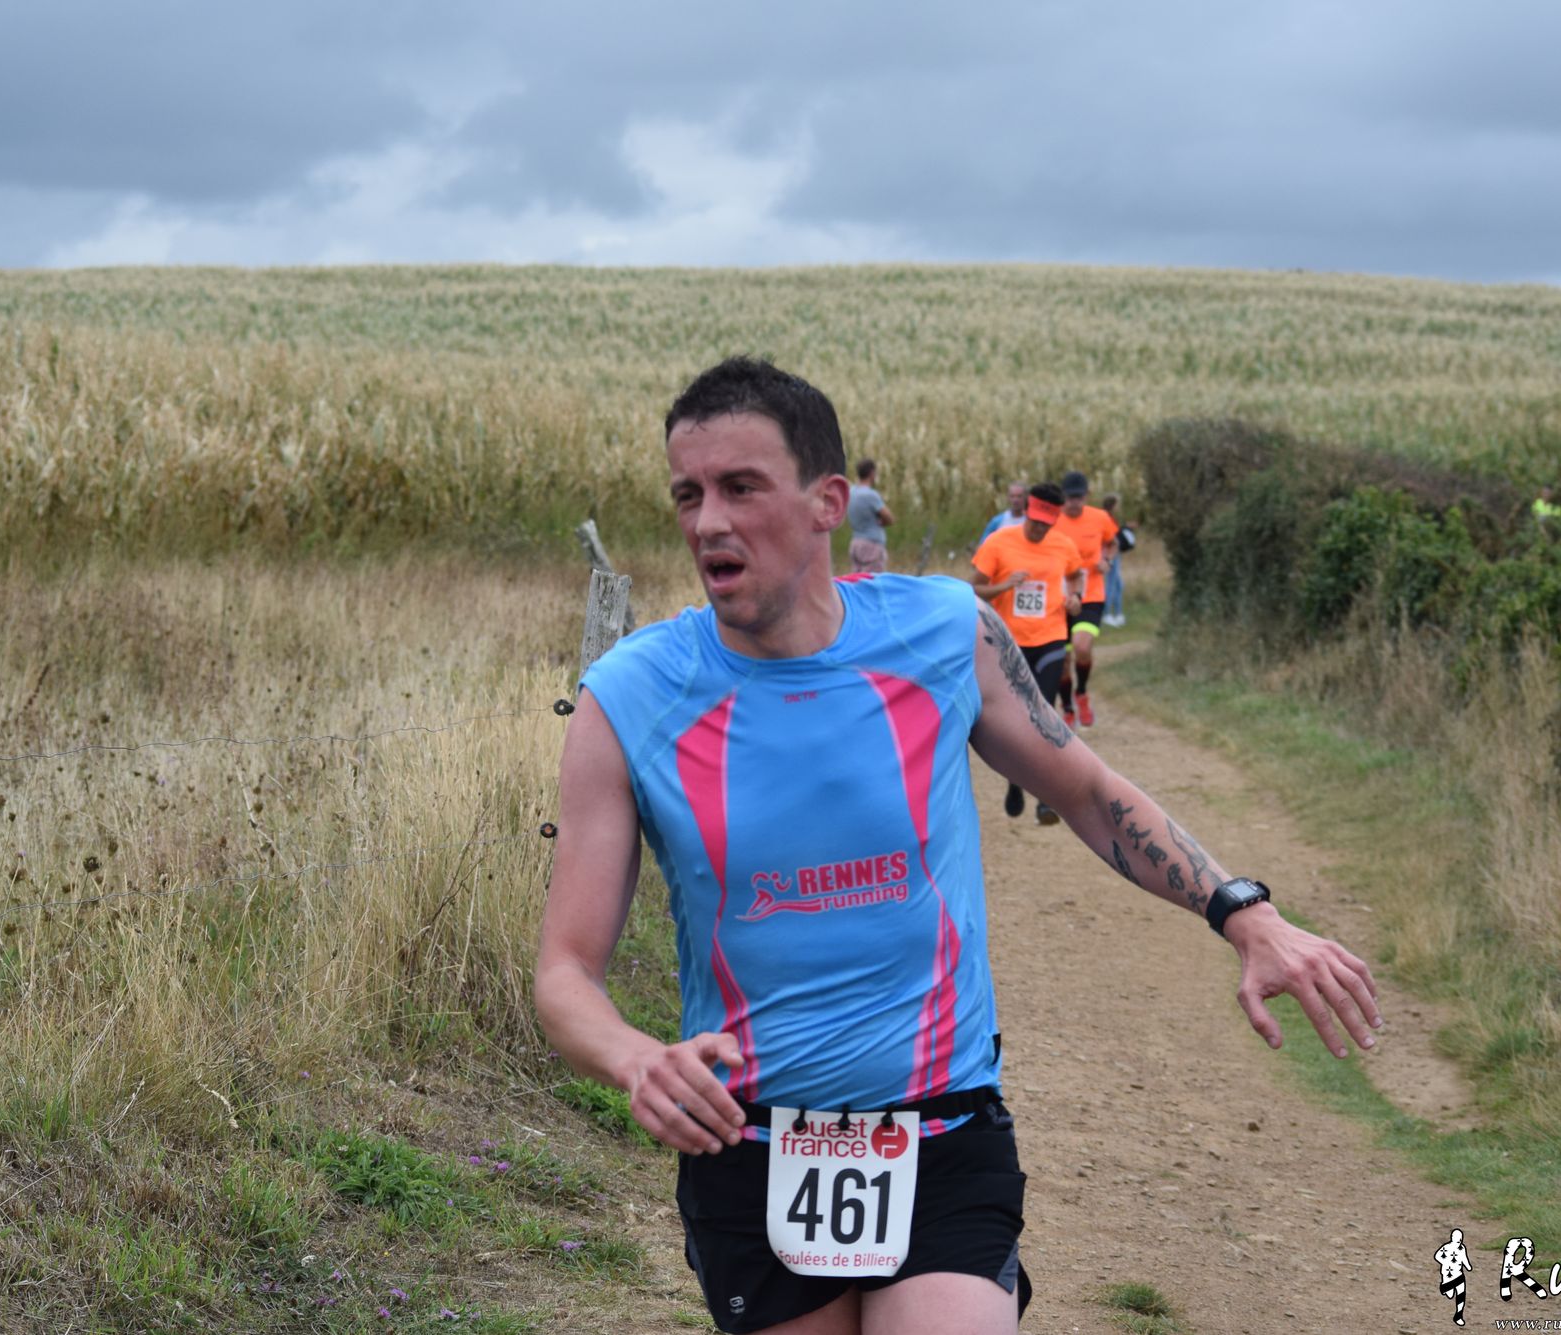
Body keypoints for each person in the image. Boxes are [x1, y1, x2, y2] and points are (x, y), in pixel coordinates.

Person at [535, 357, 1383, 1335]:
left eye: (740, 487)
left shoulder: (940, 634)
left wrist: (1243, 911)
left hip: (941, 1128)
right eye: (688, 494)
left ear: (828, 502)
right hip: (748, 1143)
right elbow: (565, 972)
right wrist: (637, 1060)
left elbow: (1088, 793)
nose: (707, 522)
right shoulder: (629, 695)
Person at [970, 482, 1085, 823]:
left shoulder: (1064, 545)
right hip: (1009, 643)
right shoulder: (999, 542)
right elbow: (971, 587)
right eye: (1035, 522)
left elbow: (1076, 575)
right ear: (1027, 514)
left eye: (1046, 525)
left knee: (1043, 716)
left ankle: (1045, 800)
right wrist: (1003, 586)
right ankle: (1015, 779)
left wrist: (1076, 598)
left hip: (1051, 638)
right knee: (1015, 719)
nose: (1039, 529)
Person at [1049, 472, 1118, 729]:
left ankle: (1082, 693)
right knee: (1062, 660)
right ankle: (1067, 707)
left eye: (1079, 497)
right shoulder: (1053, 520)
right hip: (1059, 597)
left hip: (1091, 593)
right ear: (1063, 497)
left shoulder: (1100, 518)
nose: (1074, 503)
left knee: (1082, 645)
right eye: (1070, 498)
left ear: (1086, 496)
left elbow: (1112, 542)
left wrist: (1107, 560)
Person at [847, 458, 894, 573]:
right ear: (872, 473)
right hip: (872, 544)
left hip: (856, 542)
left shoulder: (851, 492)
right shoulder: (871, 495)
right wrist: (882, 522)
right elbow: (889, 517)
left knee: (857, 580)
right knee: (873, 580)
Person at [1098, 492, 1130, 628]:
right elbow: (1109, 538)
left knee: (1118, 584)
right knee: (1111, 584)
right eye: (1117, 504)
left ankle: (1118, 613)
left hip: (1113, 553)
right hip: (1110, 554)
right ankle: (1106, 613)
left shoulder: (1110, 518)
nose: (1119, 507)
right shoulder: (1106, 518)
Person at [975, 483, 1027, 549]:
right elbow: (983, 544)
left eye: (1019, 496)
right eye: (1012, 496)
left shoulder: (1031, 522)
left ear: (1025, 497)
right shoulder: (997, 521)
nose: (1015, 500)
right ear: (1008, 498)